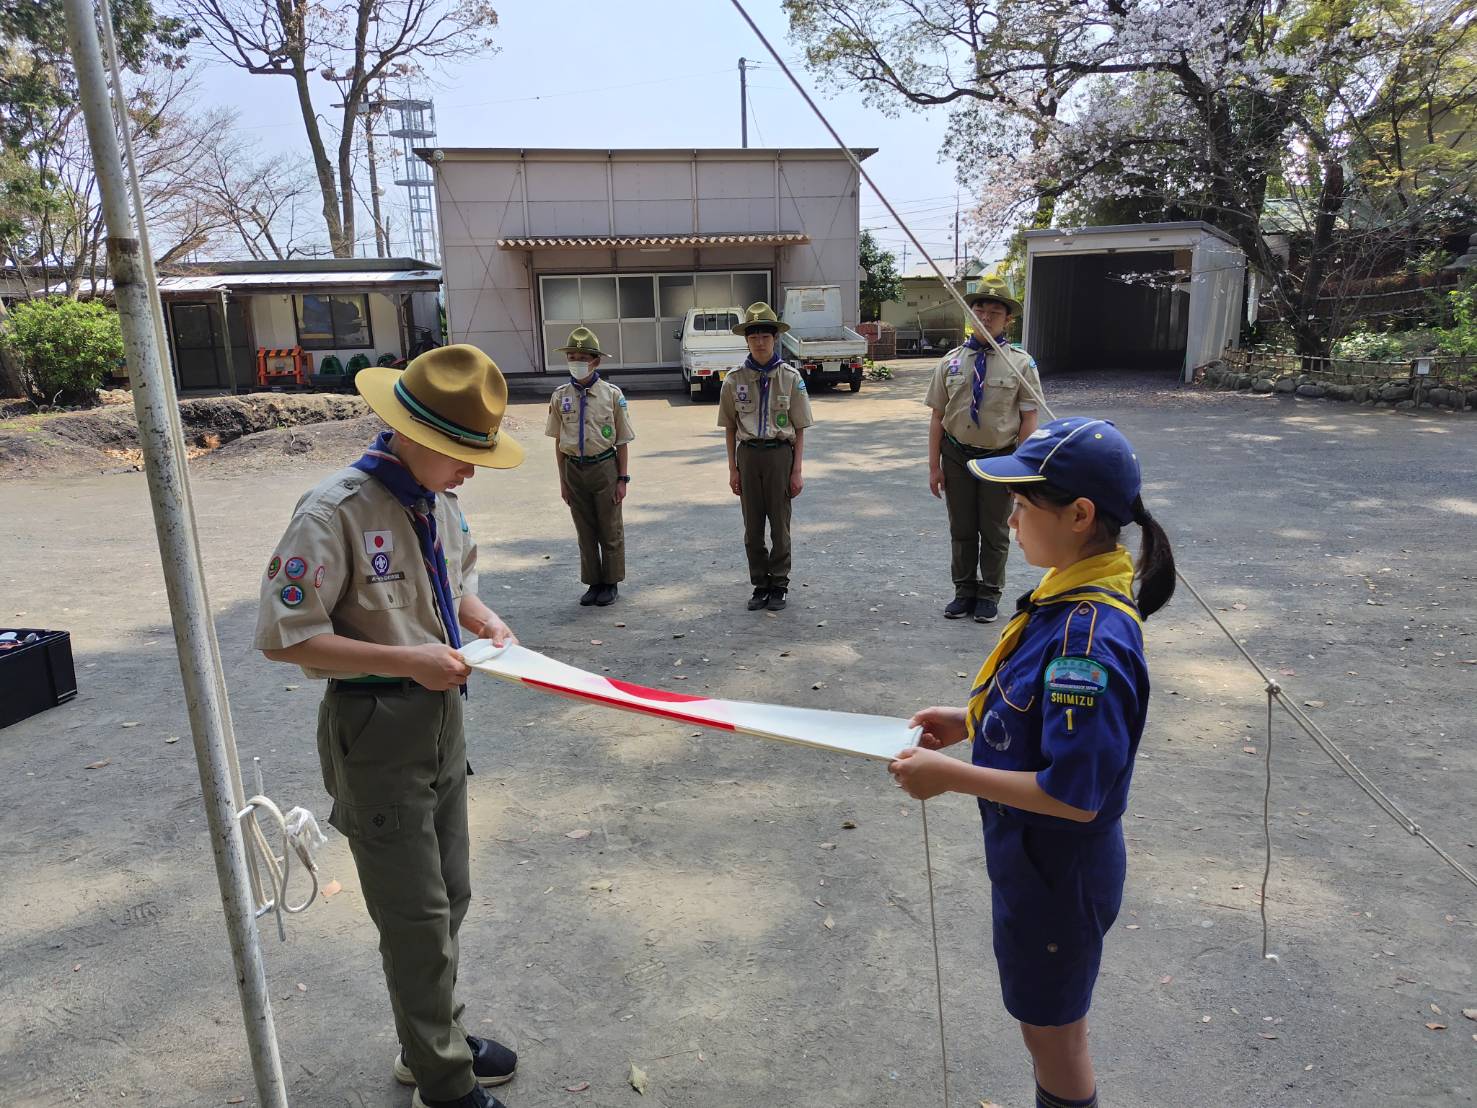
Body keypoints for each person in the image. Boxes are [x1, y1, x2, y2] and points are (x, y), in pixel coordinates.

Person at [254, 345, 525, 1108]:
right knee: (415, 916)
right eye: (462, 455)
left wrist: (482, 618)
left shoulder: (437, 499)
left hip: (440, 723)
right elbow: (285, 637)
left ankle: (432, 1036)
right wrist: (409, 661)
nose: (470, 471)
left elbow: (453, 579)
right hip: (376, 727)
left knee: (450, 895)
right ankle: (442, 1080)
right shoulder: (333, 512)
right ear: (414, 435)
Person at [889, 417, 1176, 1108]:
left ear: (1079, 516)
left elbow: (1074, 793)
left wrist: (949, 777)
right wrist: (969, 721)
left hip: (1059, 872)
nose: (1011, 520)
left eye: (1022, 505)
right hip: (1032, 861)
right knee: (1043, 1027)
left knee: (1055, 1038)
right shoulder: (1062, 600)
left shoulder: (1087, 639)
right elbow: (1037, 714)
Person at [925, 279, 1043, 624]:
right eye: (979, 310)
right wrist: (934, 467)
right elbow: (937, 417)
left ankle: (990, 593)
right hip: (956, 455)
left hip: (1000, 457)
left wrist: (1022, 468)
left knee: (994, 529)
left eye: (994, 312)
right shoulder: (950, 362)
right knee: (961, 527)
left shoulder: (1021, 363)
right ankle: (964, 591)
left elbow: (1029, 418)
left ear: (1007, 319)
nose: (986, 317)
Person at [717, 301, 815, 612]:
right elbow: (730, 427)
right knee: (753, 527)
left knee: (780, 526)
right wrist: (733, 469)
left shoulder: (790, 377)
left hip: (779, 455)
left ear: (775, 338)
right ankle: (760, 584)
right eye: (753, 336)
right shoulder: (734, 380)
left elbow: (800, 427)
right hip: (748, 456)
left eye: (765, 336)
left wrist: (796, 471)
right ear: (746, 340)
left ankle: (780, 584)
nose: (759, 342)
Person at [545, 326, 635, 606]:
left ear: (595, 361)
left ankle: (611, 583)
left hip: (604, 466)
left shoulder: (611, 395)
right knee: (584, 530)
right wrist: (563, 481)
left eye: (582, 358)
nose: (576, 362)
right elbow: (559, 441)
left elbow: (622, 441)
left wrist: (622, 479)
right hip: (574, 468)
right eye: (571, 357)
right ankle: (593, 582)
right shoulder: (560, 396)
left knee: (609, 528)